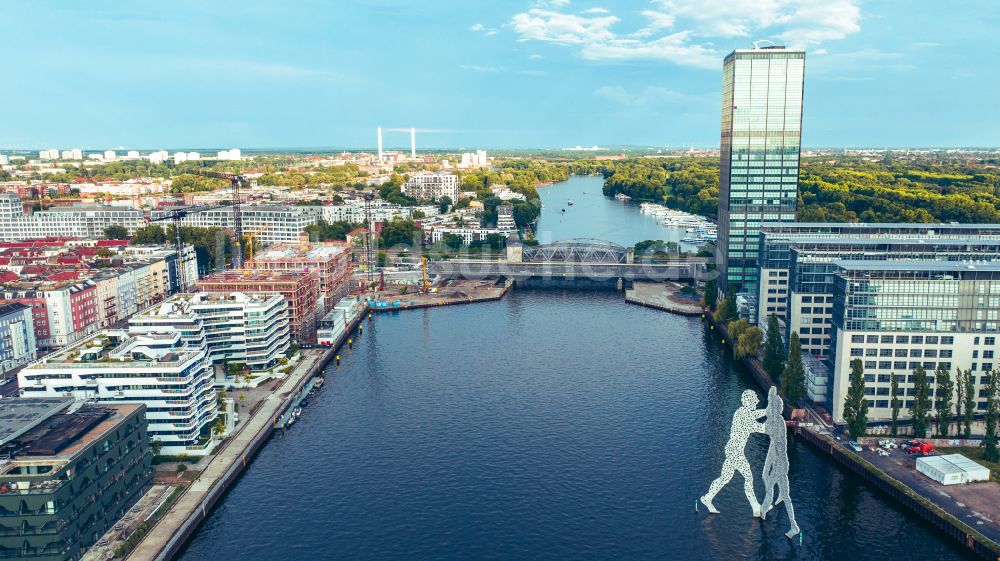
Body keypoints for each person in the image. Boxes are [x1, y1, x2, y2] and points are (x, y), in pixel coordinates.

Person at [700, 389, 767, 516]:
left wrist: (768, 412)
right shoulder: (742, 415)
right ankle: (756, 508)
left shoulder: (742, 411)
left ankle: (707, 498)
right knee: (748, 477)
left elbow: (754, 415)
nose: (755, 405)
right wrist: (771, 421)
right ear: (748, 402)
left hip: (732, 450)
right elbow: (759, 427)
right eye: (753, 402)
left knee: (725, 478)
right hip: (735, 451)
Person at [759, 386, 800, 538]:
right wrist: (767, 467)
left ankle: (765, 511)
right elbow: (773, 445)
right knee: (769, 481)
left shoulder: (778, 423)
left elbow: (778, 449)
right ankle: (772, 504)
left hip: (781, 463)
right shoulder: (776, 422)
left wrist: (772, 467)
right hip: (779, 460)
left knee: (772, 489)